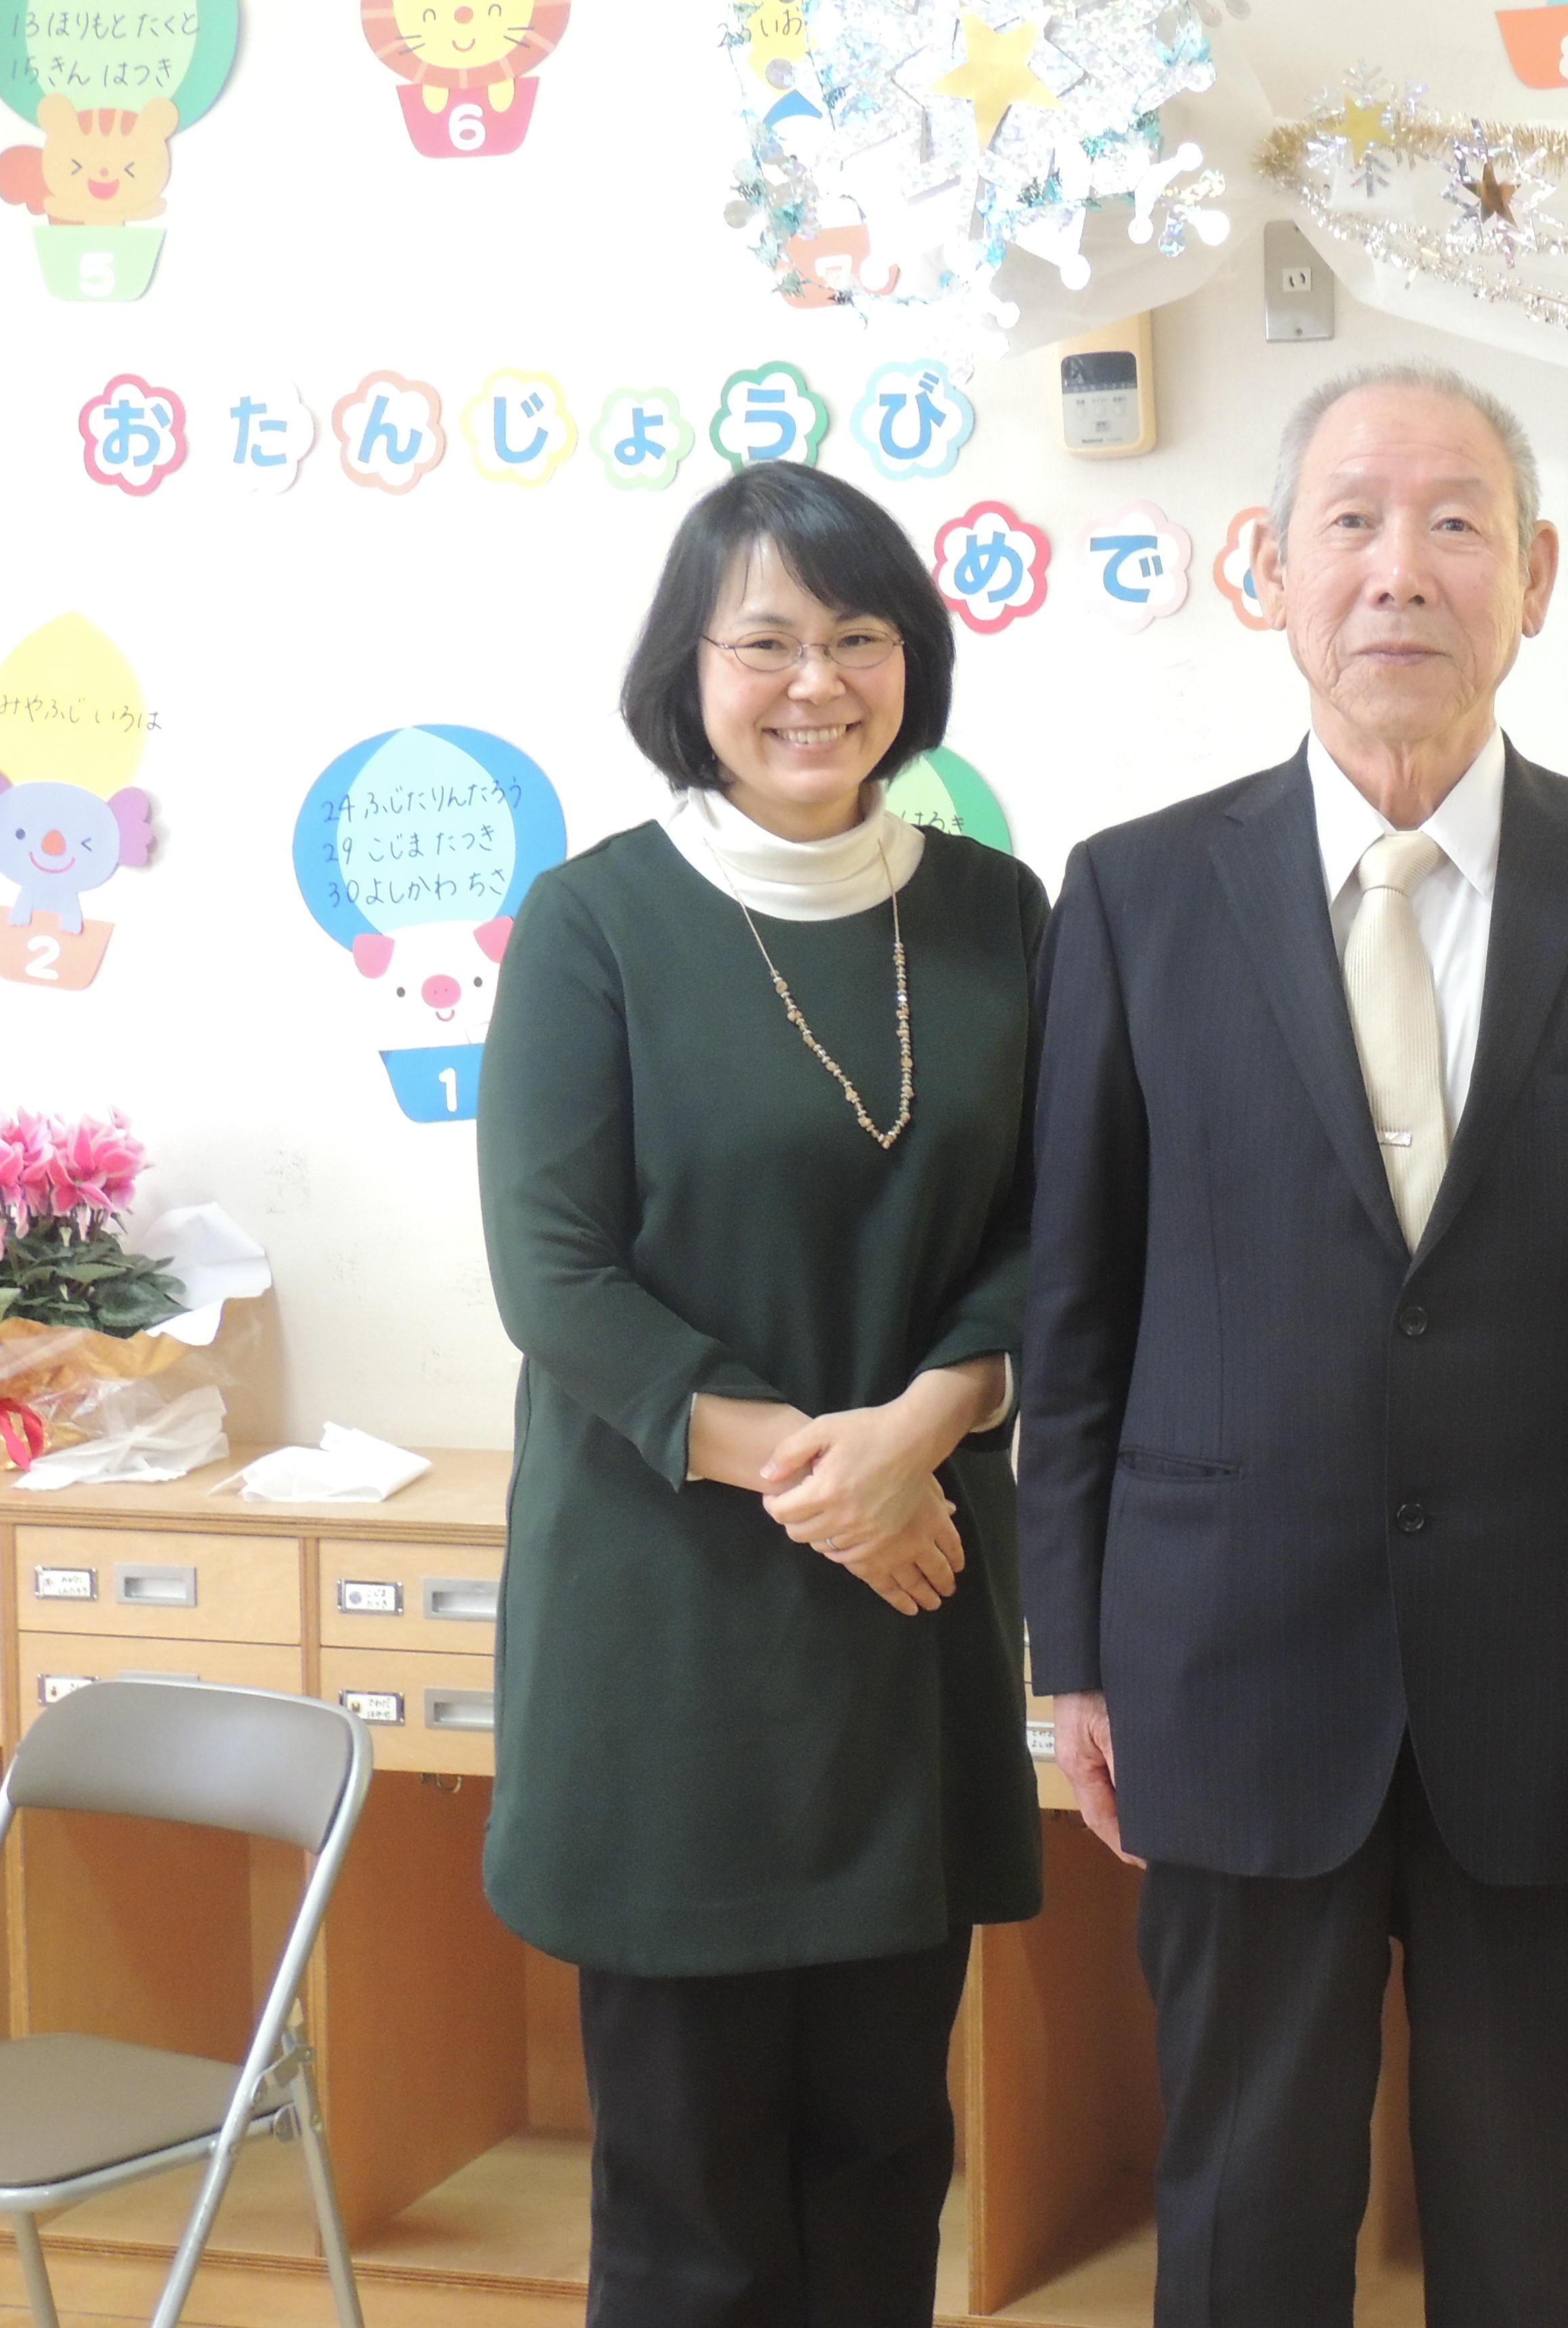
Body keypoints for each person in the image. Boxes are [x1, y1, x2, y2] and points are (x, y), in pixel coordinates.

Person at [1019, 362, 1568, 2328]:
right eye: (1351, 521)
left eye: (1456, 523)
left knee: (1542, 2224)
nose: (1400, 569)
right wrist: (1076, 1656)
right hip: (1225, 1665)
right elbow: (1079, 1304)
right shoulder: (1133, 893)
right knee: (1242, 2210)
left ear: (1538, 575)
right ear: (1269, 570)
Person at [477, 462, 1045, 2327]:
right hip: (675, 1628)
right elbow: (558, 1280)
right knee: (692, 2199)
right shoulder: (593, 921)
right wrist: (834, 1480)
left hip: (912, 1604)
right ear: (691, 671)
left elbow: (1053, 1232)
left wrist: (920, 1435)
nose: (817, 683)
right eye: (766, 641)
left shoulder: (999, 914)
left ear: (913, 664)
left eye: (859, 637)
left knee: (884, 2156)